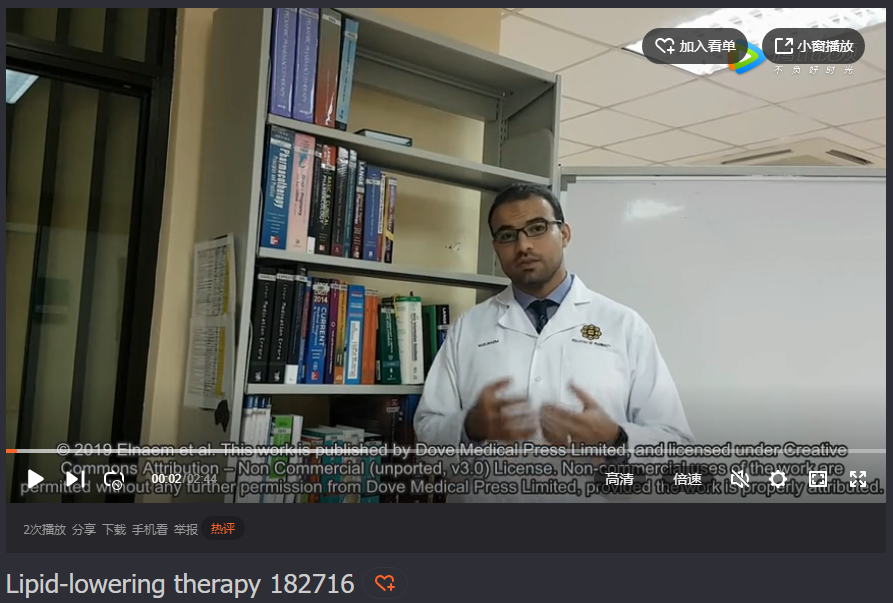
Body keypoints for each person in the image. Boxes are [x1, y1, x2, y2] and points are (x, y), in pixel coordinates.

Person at [413, 182, 694, 502]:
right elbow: (426, 437)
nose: (523, 245)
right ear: (496, 247)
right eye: (507, 235)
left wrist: (616, 439)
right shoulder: (469, 328)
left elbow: (676, 445)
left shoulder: (623, 326)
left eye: (537, 228)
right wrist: (469, 427)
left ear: (565, 234)